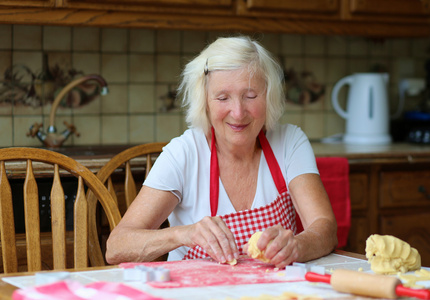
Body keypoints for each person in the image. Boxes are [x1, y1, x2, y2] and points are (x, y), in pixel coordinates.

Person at [106, 35, 338, 269]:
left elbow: (324, 228)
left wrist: (297, 245)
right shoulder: (184, 153)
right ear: (205, 102)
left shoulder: (289, 142)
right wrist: (183, 234)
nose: (238, 113)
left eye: (250, 96)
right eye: (222, 98)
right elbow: (116, 247)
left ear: (269, 97)